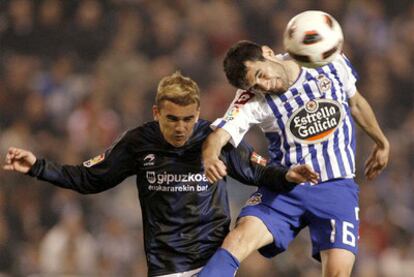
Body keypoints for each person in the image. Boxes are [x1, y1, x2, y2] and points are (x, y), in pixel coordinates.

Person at [3, 71, 318, 277]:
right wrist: (37, 166)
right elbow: (90, 178)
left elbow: (257, 170)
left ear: (197, 113)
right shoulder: (138, 142)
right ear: (156, 113)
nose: (181, 127)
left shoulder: (216, 136)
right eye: (172, 119)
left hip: (213, 262)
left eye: (187, 118)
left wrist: (288, 175)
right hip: (166, 267)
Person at [199, 40, 390, 277]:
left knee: (338, 273)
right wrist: (209, 157)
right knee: (238, 238)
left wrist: (381, 142)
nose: (263, 85)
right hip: (286, 187)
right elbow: (219, 135)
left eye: (261, 74)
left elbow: (357, 103)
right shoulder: (251, 98)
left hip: (336, 188)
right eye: (255, 85)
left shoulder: (326, 60)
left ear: (268, 53)